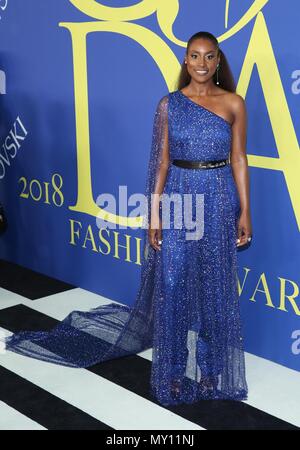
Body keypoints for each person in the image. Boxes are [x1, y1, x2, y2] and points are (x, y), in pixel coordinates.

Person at [1, 31, 251, 406]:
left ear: (218, 61)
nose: (201, 64)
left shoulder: (234, 103)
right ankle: (171, 373)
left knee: (215, 288)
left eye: (208, 57)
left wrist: (245, 209)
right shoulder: (169, 105)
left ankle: (213, 371)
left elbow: (239, 159)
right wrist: (154, 217)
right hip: (179, 198)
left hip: (217, 199)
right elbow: (162, 163)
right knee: (173, 288)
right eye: (194, 56)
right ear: (185, 61)